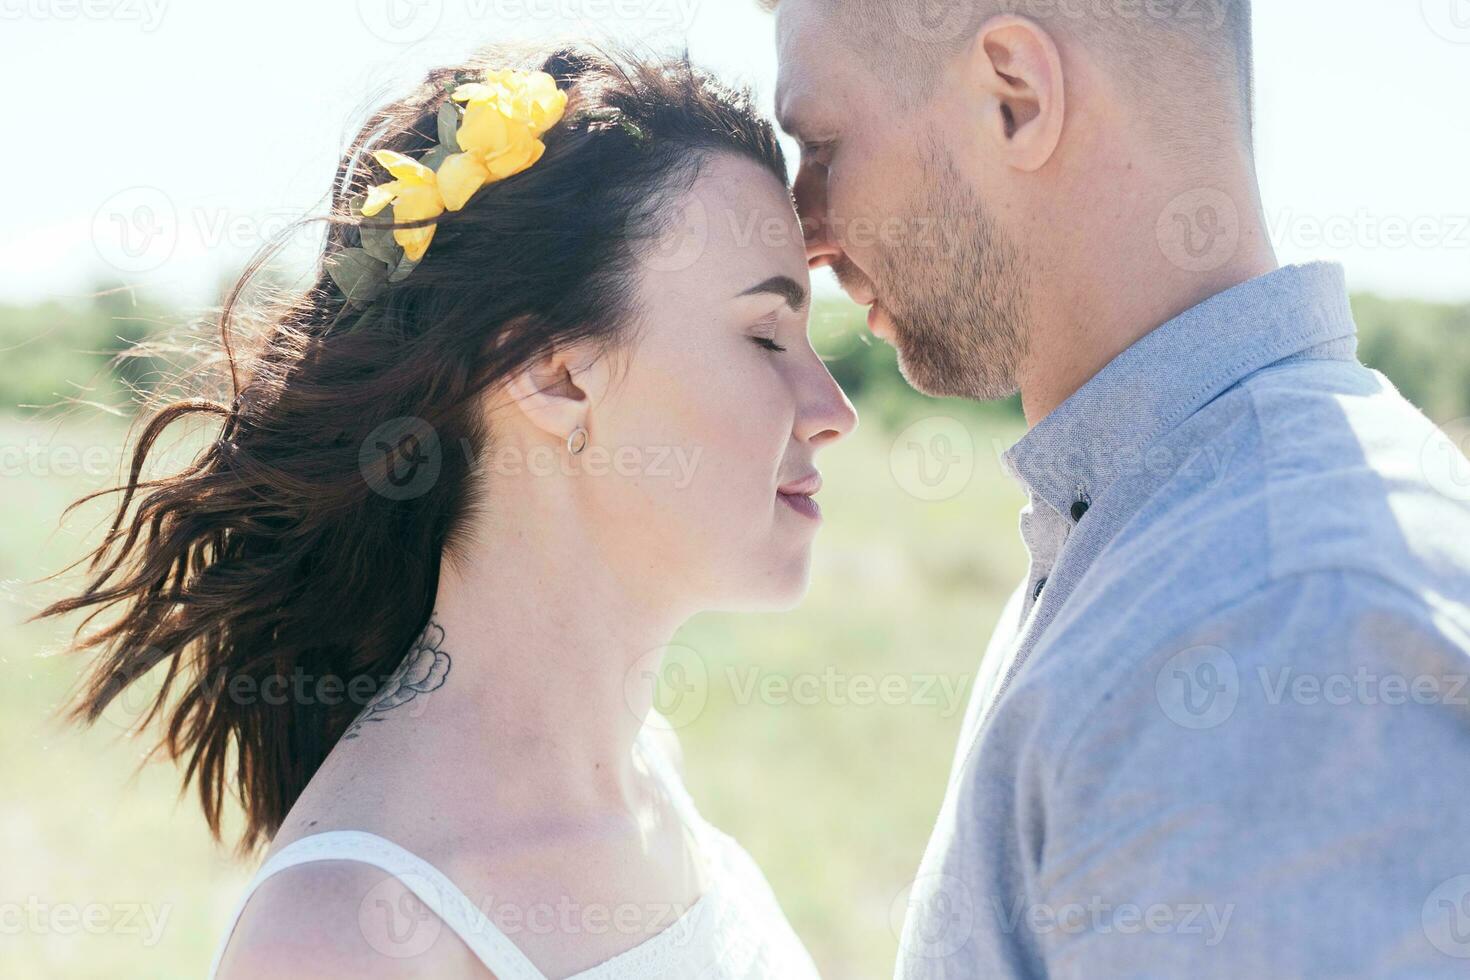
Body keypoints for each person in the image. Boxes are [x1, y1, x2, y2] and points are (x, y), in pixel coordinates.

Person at [40, 44, 853, 978]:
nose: (834, 410)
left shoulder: (647, 779)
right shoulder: (345, 938)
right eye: (765, 336)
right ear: (551, 375)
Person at [769, 0, 1470, 975]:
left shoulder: (1275, 614)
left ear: (1013, 97)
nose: (802, 231)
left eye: (821, 146)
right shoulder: (1147, 525)